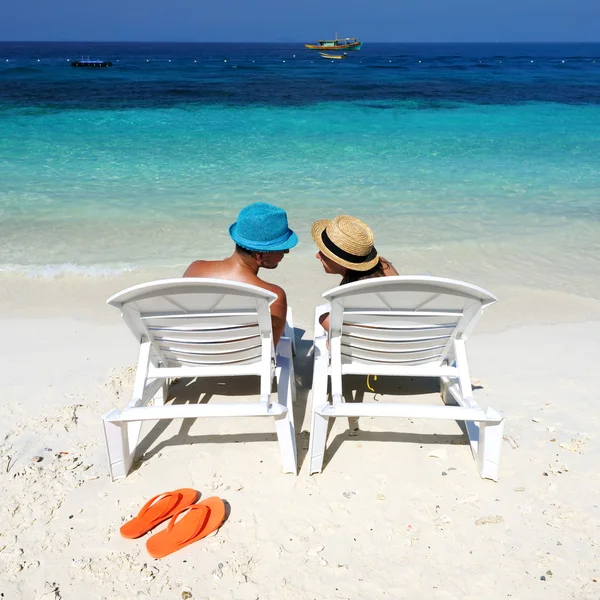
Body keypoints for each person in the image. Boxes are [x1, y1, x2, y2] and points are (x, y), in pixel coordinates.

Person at [184, 202, 297, 345]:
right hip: (246, 362)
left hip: (193, 355)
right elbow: (270, 349)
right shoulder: (273, 296)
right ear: (259, 256)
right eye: (281, 248)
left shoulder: (195, 269)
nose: (286, 252)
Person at [312, 215, 398, 332]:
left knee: (324, 319)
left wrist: (325, 322)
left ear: (341, 263)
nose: (317, 256)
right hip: (406, 337)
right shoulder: (383, 266)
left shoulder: (349, 295)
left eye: (323, 253)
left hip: (371, 345)